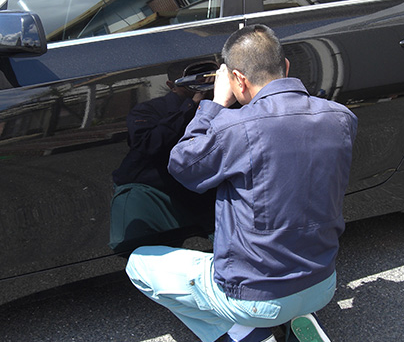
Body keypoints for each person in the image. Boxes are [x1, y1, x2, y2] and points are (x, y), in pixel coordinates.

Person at [125, 24, 357, 342]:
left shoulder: (236, 129)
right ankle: (298, 315)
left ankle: (246, 334)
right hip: (322, 283)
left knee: (139, 264)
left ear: (238, 80)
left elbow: (183, 165)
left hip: (256, 297)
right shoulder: (341, 118)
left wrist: (215, 105)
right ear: (286, 67)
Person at [109, 62, 216, 252]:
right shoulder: (149, 110)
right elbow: (147, 145)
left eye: (211, 78)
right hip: (159, 189)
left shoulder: (229, 103)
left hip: (209, 190)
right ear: (171, 85)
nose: (204, 84)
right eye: (195, 80)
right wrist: (192, 106)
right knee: (145, 253)